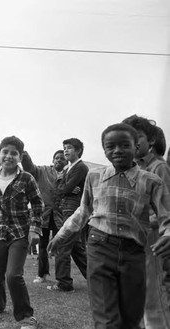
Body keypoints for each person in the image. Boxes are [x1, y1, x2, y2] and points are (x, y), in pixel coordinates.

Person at [48, 123, 170, 328]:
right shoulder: (94, 177)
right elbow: (84, 210)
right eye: (110, 146)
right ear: (104, 150)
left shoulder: (152, 181)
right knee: (106, 319)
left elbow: (167, 215)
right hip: (100, 247)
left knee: (131, 318)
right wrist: (62, 235)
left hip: (134, 253)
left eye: (124, 145)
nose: (117, 150)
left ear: (137, 146)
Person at [0, 136, 43, 329]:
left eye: (14, 153)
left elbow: (38, 203)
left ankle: (26, 316)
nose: (9, 156)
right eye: (5, 152)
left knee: (13, 275)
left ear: (20, 156)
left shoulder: (26, 178)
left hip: (20, 233)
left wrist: (34, 229)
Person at [122, 114, 170, 328]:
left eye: (138, 137)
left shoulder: (158, 167)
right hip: (134, 238)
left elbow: (165, 209)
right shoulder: (133, 169)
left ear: (150, 141)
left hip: (153, 238)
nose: (133, 142)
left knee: (154, 296)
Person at [48, 138, 88, 292]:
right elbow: (59, 188)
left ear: (78, 150)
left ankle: (64, 283)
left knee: (63, 244)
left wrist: (66, 189)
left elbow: (64, 188)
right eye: (64, 147)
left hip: (74, 209)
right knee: (77, 248)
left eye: (69, 147)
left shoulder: (80, 168)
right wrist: (66, 188)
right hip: (67, 208)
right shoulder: (69, 168)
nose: (65, 150)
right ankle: (96, 278)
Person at [21, 150, 67, 284]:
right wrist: (25, 156)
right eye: (56, 158)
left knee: (60, 246)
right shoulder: (43, 170)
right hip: (44, 214)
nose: (59, 160)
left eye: (62, 158)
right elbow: (30, 167)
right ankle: (42, 274)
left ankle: (61, 277)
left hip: (61, 215)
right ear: (52, 160)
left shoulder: (70, 173)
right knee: (42, 246)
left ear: (66, 161)